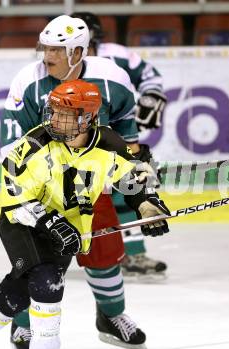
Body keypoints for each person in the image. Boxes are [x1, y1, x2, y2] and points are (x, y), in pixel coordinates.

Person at [0, 79, 171, 349]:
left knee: (18, 293)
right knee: (47, 281)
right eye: (54, 112)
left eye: (65, 114)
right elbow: (16, 196)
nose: (55, 119)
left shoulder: (108, 142)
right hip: (24, 221)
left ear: (88, 118)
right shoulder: (35, 144)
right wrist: (51, 222)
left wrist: (146, 204)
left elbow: (131, 181)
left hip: (69, 227)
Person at [0, 15, 164, 349]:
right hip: (42, 192)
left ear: (78, 51)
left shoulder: (114, 79)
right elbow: (13, 152)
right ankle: (23, 322)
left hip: (88, 185)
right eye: (44, 47)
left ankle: (110, 316)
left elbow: (126, 148)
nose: (47, 56)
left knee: (105, 254)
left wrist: (144, 198)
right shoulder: (27, 82)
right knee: (35, 262)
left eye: (56, 49)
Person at [71, 12, 168, 279]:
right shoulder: (58, 62)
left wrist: (151, 95)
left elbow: (150, 76)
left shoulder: (117, 55)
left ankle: (133, 254)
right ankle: (41, 258)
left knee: (127, 190)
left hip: (114, 138)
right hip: (76, 144)